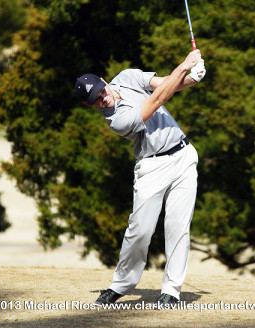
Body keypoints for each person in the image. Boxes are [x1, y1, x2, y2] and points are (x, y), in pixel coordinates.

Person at [74, 49, 206, 308]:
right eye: (96, 100)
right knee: (140, 230)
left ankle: (171, 291)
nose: (103, 98)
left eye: (101, 91)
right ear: (88, 105)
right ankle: (121, 285)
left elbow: (165, 83)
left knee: (178, 226)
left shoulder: (127, 76)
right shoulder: (117, 120)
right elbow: (156, 100)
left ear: (103, 80)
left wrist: (193, 77)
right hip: (152, 167)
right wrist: (184, 65)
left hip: (184, 155)